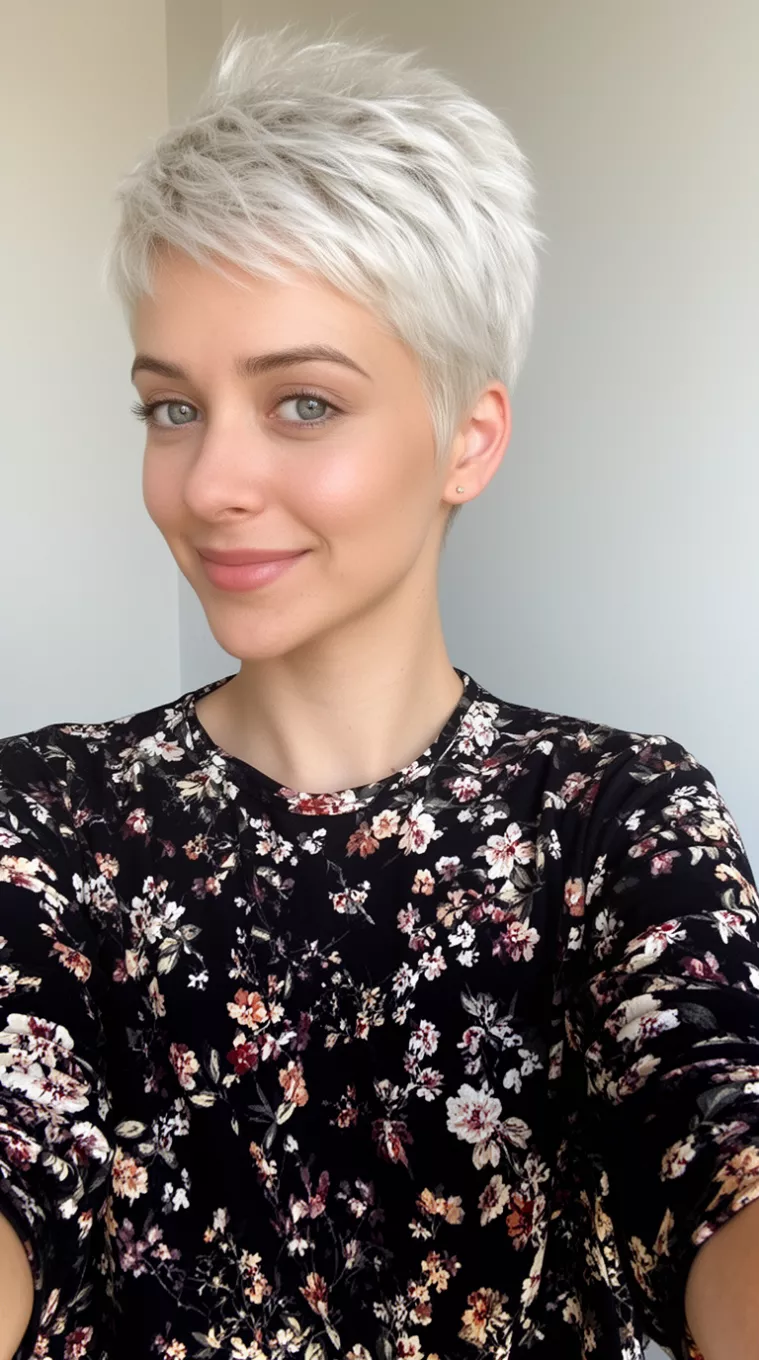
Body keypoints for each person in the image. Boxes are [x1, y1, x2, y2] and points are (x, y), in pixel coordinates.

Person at [0, 25, 757, 1360]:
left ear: (466, 439)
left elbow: (707, 1130)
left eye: (300, 403)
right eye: (171, 408)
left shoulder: (613, 813)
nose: (210, 482)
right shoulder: (45, 815)